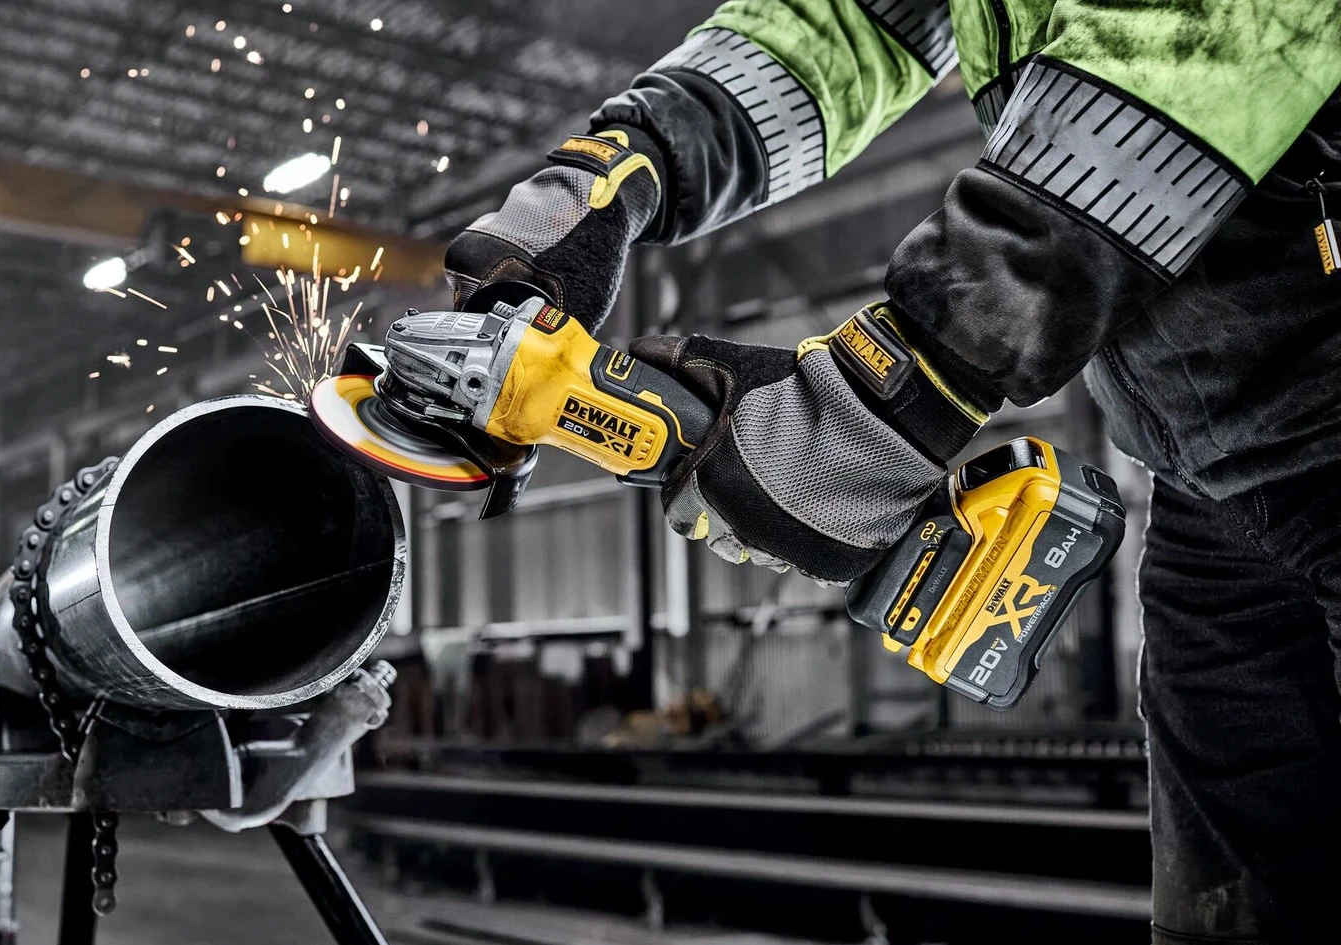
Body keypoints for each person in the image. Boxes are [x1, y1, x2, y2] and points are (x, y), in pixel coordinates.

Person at [434, 2, 1341, 941]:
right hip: (1210, 495)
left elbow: (1196, 41)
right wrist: (624, 163)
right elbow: (845, 21)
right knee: (1225, 920)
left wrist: (901, 386)